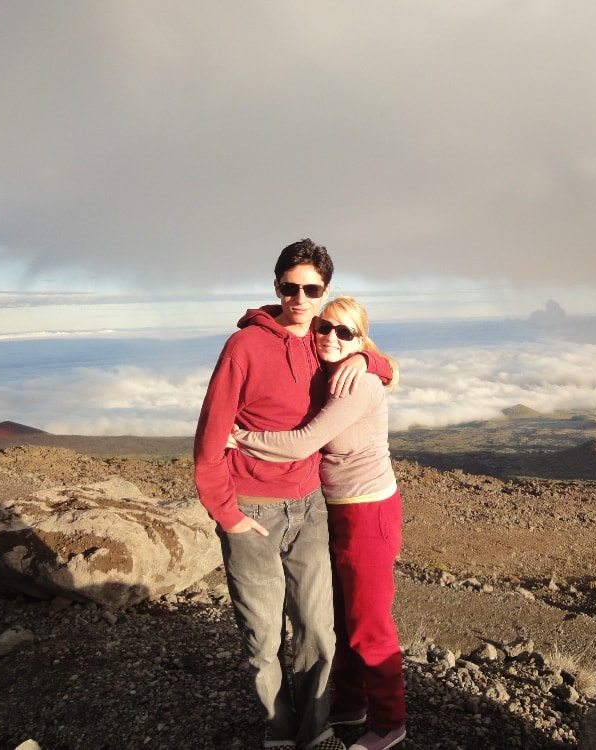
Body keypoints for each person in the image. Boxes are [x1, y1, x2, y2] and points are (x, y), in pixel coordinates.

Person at [193, 240, 393, 750]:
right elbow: (211, 435)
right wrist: (225, 512)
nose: (300, 299)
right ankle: (279, 730)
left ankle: (317, 730)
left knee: (317, 631)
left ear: (323, 292)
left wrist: (372, 362)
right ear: (275, 285)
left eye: (312, 290)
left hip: (309, 505)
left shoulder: (323, 341)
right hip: (252, 508)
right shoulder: (244, 347)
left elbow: (370, 356)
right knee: (262, 636)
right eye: (290, 287)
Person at [229, 296, 406, 750]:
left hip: (367, 510)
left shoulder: (360, 380)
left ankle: (390, 723)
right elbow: (282, 315)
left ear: (360, 338)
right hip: (334, 509)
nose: (330, 337)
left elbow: (303, 443)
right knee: (340, 618)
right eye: (324, 327)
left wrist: (238, 437)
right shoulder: (330, 364)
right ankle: (351, 701)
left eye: (345, 332)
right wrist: (373, 357)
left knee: (368, 622)